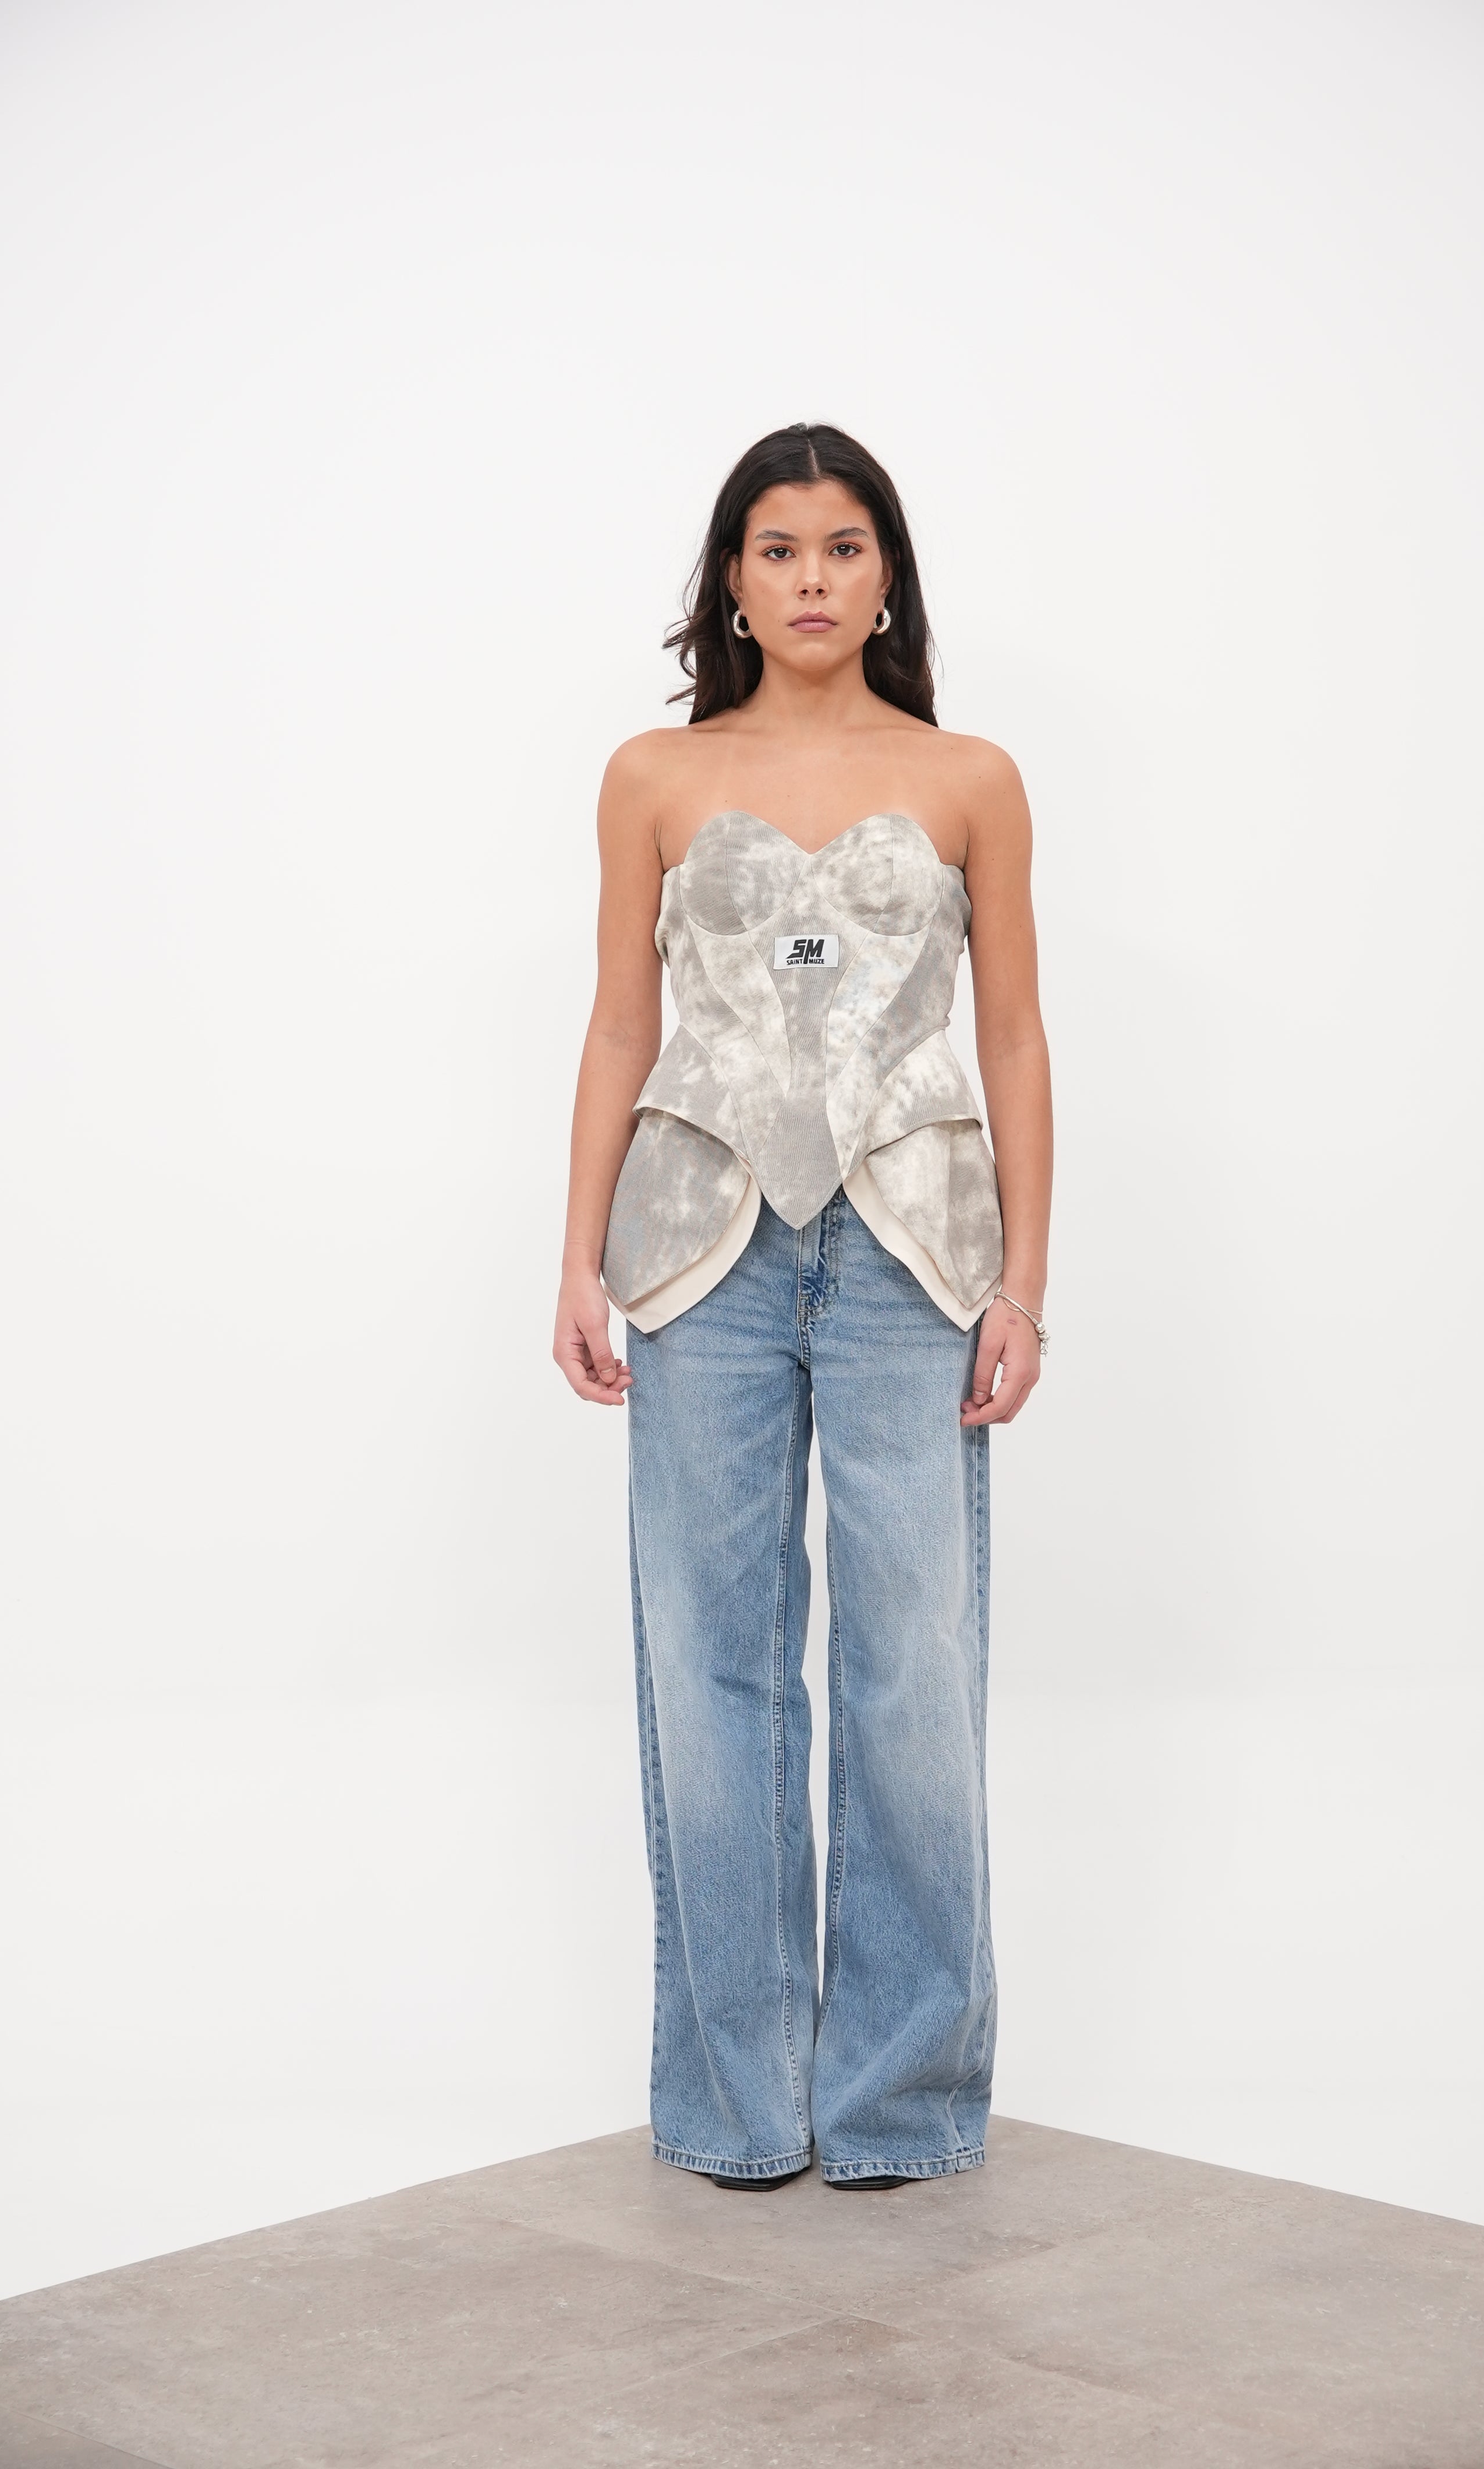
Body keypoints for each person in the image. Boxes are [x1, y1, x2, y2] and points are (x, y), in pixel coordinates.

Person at [553, 423, 1053, 2191]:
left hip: (917, 1250)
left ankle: (901, 2104)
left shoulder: (973, 777)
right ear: (735, 583)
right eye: (779, 550)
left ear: (886, 577)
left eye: (844, 548)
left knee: (913, 1665)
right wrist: (575, 1260)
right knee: (711, 1660)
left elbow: (1013, 1037)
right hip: (700, 1248)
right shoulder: (654, 777)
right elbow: (621, 1025)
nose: (814, 578)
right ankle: (740, 2103)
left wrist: (1026, 1284)